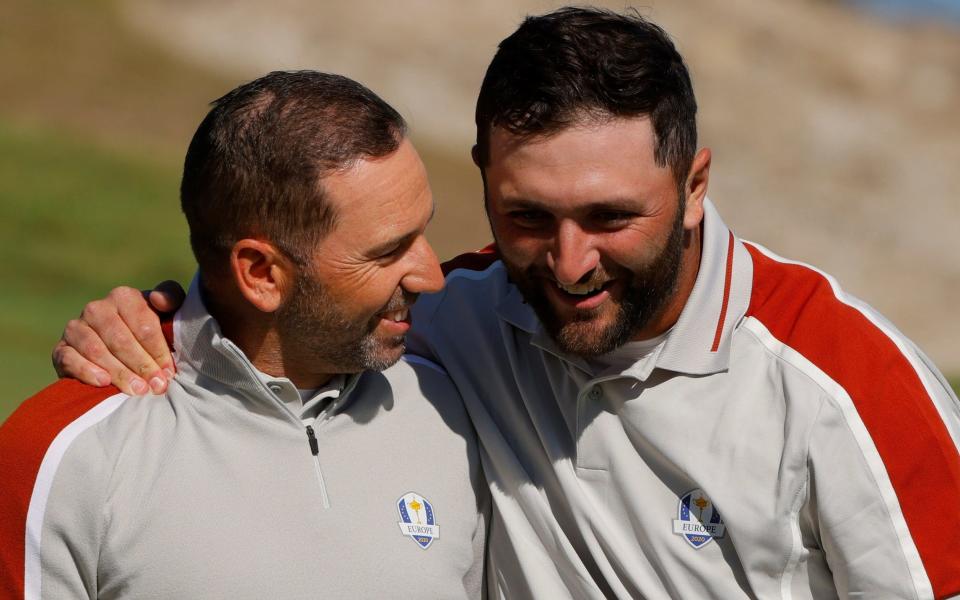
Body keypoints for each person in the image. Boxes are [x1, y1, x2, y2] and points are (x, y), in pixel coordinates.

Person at [43, 6, 960, 599]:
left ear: (694, 185)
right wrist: (156, 320)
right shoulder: (451, 315)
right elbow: (287, 304)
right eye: (527, 216)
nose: (568, 265)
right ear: (484, 180)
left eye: (610, 217)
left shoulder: (847, 382)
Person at [0, 71, 488, 599]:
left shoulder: (457, 411)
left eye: (423, 232)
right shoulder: (64, 456)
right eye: (387, 252)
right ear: (260, 273)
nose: (431, 276)